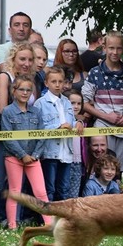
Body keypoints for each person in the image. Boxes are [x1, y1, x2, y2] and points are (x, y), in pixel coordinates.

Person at [0, 42, 36, 228]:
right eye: (22, 59)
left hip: (25, 139)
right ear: (13, 59)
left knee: (18, 183)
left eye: (30, 59)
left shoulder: (31, 79)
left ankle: (15, 219)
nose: (26, 63)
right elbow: (3, 110)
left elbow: (33, 110)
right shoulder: (5, 77)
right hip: (4, 135)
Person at [82, 30, 123, 172]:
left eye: (118, 48)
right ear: (104, 48)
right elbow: (85, 103)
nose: (115, 52)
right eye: (111, 48)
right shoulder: (95, 73)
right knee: (102, 168)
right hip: (103, 128)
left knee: (122, 170)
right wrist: (105, 116)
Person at [1, 74, 53, 230]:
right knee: (15, 191)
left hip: (34, 158)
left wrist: (35, 155)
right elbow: (8, 137)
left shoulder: (36, 112)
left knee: (41, 192)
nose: (25, 93)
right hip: (13, 157)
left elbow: (42, 135)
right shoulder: (8, 112)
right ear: (14, 91)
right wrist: (22, 155)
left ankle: (49, 224)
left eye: (28, 90)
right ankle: (12, 225)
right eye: (21, 89)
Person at [36, 67, 81, 201]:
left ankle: (62, 219)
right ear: (46, 83)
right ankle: (47, 220)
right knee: (49, 188)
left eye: (60, 81)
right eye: (53, 81)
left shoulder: (67, 102)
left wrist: (78, 123)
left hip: (66, 151)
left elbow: (72, 121)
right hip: (50, 152)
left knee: (64, 188)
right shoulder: (40, 103)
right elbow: (39, 129)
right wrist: (58, 127)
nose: (57, 85)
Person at [65, 89, 89, 198]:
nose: (76, 106)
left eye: (79, 103)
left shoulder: (82, 124)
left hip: (78, 163)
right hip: (65, 161)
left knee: (74, 195)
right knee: (63, 192)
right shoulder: (63, 122)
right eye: (72, 103)